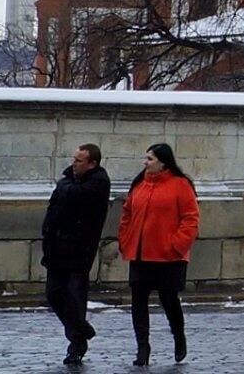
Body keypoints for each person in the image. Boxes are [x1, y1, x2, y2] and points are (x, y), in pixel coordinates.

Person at [117, 143, 199, 368]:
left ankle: (178, 336)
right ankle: (142, 347)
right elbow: (127, 213)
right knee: (138, 301)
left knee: (169, 299)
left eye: (150, 159)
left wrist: (177, 245)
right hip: (141, 253)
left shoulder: (181, 185)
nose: (146, 162)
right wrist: (125, 240)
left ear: (163, 162)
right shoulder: (139, 184)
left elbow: (190, 219)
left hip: (169, 256)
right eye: (146, 158)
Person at [41, 141, 111, 367]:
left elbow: (77, 196)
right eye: (73, 159)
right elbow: (54, 207)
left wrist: (64, 187)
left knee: (74, 296)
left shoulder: (98, 182)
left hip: (80, 249)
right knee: (54, 293)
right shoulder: (67, 182)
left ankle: (77, 343)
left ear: (92, 164)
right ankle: (81, 328)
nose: (74, 164)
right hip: (57, 247)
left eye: (79, 161)